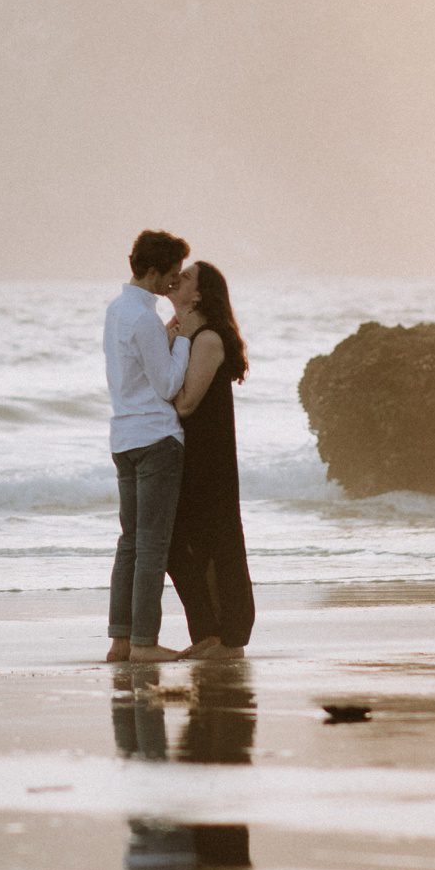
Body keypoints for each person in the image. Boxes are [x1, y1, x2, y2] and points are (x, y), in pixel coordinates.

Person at [102, 228, 191, 665]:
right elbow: (169, 384)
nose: (174, 281)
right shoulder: (144, 319)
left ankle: (121, 641)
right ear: (153, 271)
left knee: (130, 544)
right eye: (172, 273)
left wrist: (166, 339)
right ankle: (143, 643)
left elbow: (136, 370)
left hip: (123, 437)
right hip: (156, 439)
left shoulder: (117, 310)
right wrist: (185, 339)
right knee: (152, 547)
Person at [166, 259, 256, 657]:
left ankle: (228, 636)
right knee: (186, 542)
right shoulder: (186, 333)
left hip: (208, 458)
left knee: (214, 542)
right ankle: (210, 632)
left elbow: (186, 403)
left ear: (199, 294)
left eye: (185, 277)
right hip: (192, 454)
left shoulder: (206, 339)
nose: (176, 279)